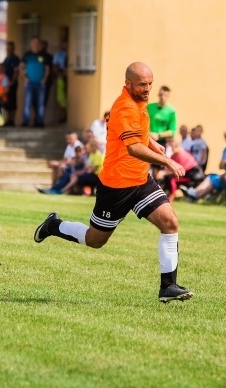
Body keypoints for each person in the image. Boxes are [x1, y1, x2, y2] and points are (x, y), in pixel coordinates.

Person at [33, 62, 193, 304]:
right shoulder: (125, 107)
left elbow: (135, 133)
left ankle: (168, 286)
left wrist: (152, 142)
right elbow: (133, 147)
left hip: (141, 180)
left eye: (150, 84)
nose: (147, 89)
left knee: (170, 223)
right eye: (142, 84)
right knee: (95, 240)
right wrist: (166, 161)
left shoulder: (138, 101)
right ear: (128, 83)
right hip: (117, 186)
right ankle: (53, 225)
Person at [22, 37, 50, 127]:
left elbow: (47, 69)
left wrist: (44, 79)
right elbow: (21, 67)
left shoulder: (43, 55)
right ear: (31, 44)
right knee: (28, 103)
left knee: (40, 104)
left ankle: (40, 122)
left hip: (40, 84)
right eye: (34, 42)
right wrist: (24, 78)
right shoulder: (27, 55)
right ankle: (26, 122)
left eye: (37, 43)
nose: (35, 44)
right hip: (29, 83)